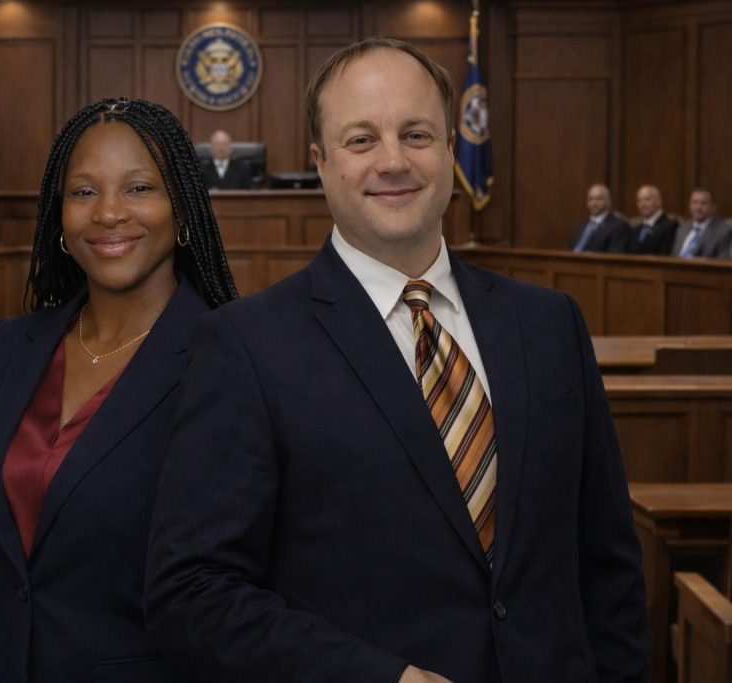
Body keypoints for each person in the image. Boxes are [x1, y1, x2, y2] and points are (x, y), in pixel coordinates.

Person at [145, 37, 648, 682]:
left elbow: (607, 563)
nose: (393, 161)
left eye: (416, 134)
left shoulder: (550, 324)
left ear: (448, 150)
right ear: (320, 163)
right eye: (360, 140)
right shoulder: (247, 345)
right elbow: (192, 592)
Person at [0, 97, 238, 682]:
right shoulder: (7, 348)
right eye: (83, 192)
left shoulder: (231, 361)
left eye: (139, 188)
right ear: (58, 217)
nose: (108, 213)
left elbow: (243, 585)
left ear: (184, 211)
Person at [671, 188, 731, 258]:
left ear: (713, 207)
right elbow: (673, 256)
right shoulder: (682, 227)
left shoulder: (723, 231)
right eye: (694, 203)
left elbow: (722, 263)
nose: (698, 207)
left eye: (703, 203)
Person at [570, 184, 630, 253]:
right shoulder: (580, 225)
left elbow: (614, 256)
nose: (594, 203)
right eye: (590, 199)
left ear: (608, 201)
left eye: (598, 199)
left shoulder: (619, 226)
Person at [627, 184, 678, 255]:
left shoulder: (670, 226)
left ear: (659, 202)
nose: (642, 204)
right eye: (639, 201)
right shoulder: (634, 229)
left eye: (647, 200)